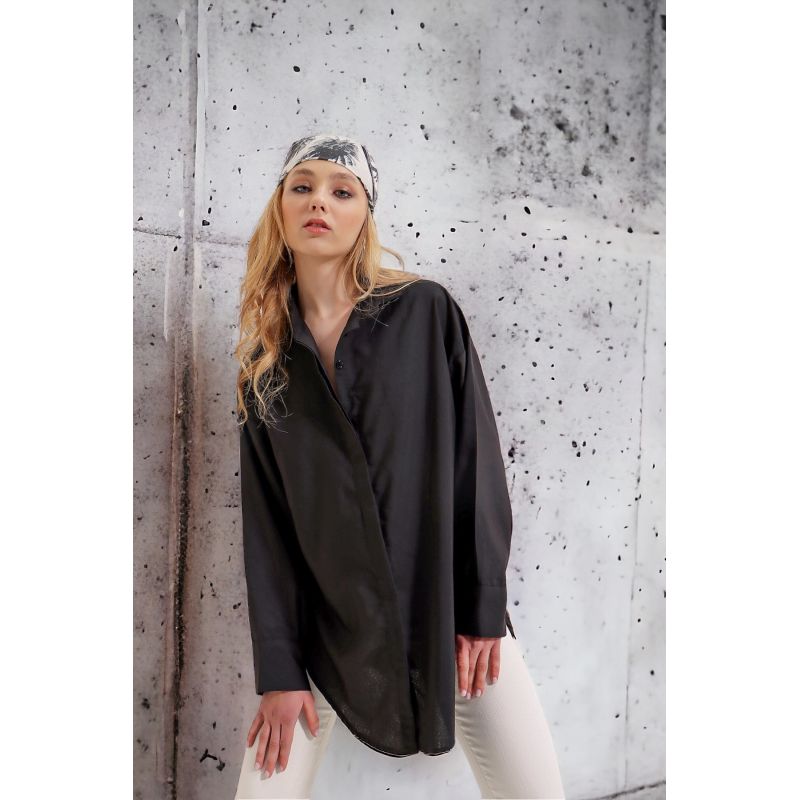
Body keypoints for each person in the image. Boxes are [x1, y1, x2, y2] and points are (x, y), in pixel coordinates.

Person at [232, 133, 565, 799]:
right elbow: (267, 532)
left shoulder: (424, 311)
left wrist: (483, 607)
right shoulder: (263, 366)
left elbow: (476, 467)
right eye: (302, 186)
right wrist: (280, 670)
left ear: (364, 215)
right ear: (279, 208)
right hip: (327, 636)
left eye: (341, 191)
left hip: (451, 616)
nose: (319, 201)